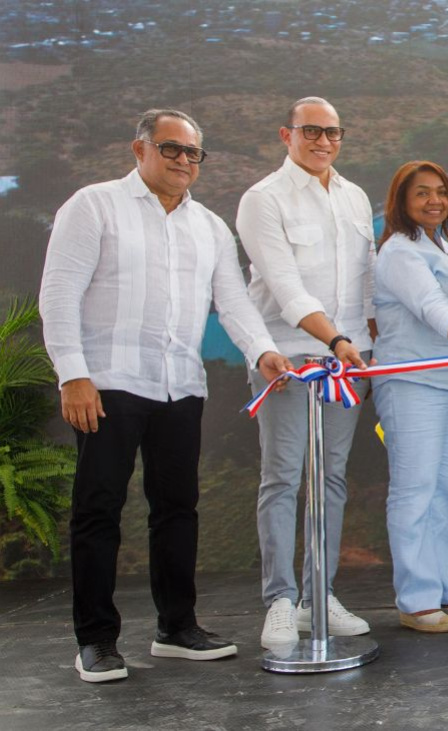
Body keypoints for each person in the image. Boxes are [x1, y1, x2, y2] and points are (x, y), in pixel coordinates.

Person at [40, 109, 292, 682]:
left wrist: (263, 351)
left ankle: (177, 628)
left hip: (180, 386)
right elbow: (58, 293)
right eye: (171, 148)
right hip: (107, 383)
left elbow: (232, 301)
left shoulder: (209, 226)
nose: (183, 160)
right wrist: (72, 374)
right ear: (140, 149)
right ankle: (95, 640)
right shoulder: (93, 205)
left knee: (177, 509)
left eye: (192, 152)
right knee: (98, 510)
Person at [236, 96, 376, 648]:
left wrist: (363, 343)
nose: (323, 142)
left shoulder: (354, 196)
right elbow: (286, 287)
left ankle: (318, 595)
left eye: (332, 132)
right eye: (311, 131)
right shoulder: (262, 199)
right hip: (289, 360)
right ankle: (279, 599)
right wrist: (335, 339)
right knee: (282, 477)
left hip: (349, 361)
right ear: (286, 135)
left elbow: (366, 281)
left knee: (331, 477)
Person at [372, 161, 448, 632]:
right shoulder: (399, 252)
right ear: (401, 201)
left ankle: (444, 586)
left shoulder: (442, 248)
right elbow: (431, 306)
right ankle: (416, 597)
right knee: (415, 488)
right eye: (422, 193)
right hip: (412, 382)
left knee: (446, 493)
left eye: (441, 192)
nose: (434, 200)